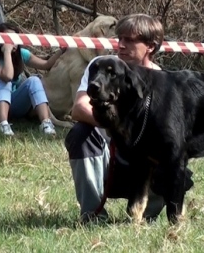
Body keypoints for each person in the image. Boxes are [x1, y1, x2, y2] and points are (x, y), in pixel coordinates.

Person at [65, 13, 193, 223]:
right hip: (106, 160)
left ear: (150, 47)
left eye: (129, 40)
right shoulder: (101, 65)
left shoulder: (163, 81)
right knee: (80, 134)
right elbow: (78, 109)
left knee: (173, 157)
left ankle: (143, 215)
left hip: (143, 163)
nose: (121, 45)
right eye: (120, 38)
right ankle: (92, 215)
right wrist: (119, 126)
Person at [0, 22, 66, 136]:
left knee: (34, 80)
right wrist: (7, 52)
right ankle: (4, 125)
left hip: (11, 105)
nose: (12, 42)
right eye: (7, 38)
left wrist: (62, 50)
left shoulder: (21, 54)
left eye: (14, 39)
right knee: (5, 82)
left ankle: (46, 123)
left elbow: (46, 65)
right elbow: (8, 76)